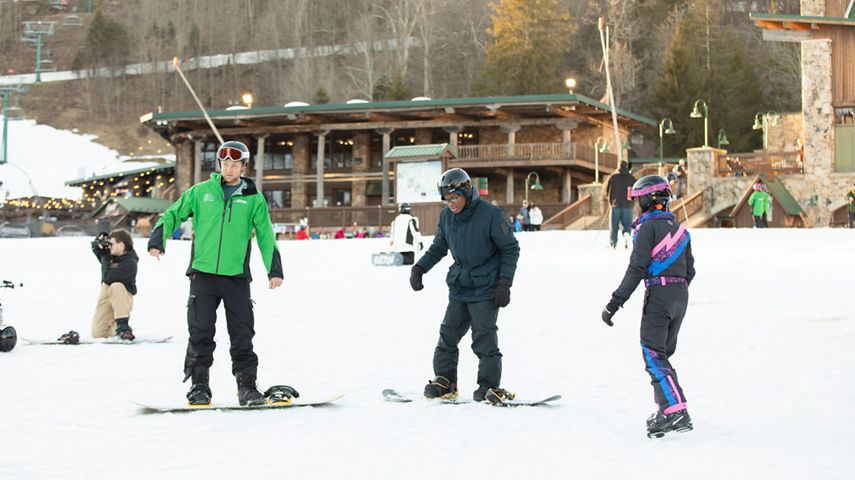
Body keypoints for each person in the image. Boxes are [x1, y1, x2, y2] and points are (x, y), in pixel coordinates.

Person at [148, 140, 284, 408]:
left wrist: (274, 269)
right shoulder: (200, 192)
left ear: (243, 166)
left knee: (242, 333)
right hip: (203, 274)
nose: (229, 168)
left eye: (235, 164)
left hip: (236, 277)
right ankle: (200, 387)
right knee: (200, 332)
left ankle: (246, 387)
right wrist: (158, 238)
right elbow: (173, 214)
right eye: (225, 163)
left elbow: (266, 235)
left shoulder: (253, 198)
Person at [409, 168, 520, 405]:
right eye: (446, 200)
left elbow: (510, 249)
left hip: (486, 286)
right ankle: (445, 381)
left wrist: (504, 283)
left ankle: (489, 386)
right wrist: (420, 268)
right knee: (448, 335)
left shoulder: (490, 214)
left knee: (484, 338)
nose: (450, 204)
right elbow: (439, 247)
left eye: (454, 198)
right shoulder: (447, 217)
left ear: (467, 192)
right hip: (460, 285)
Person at [600, 174, 695, 438]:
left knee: (653, 354)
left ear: (646, 200)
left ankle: (676, 410)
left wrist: (615, 302)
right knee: (661, 354)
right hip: (679, 296)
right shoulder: (681, 231)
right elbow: (691, 271)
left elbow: (637, 268)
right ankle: (666, 410)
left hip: (660, 294)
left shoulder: (646, 229)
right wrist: (677, 291)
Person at [90, 229, 138, 341]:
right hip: (106, 297)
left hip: (121, 298)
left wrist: (106, 257)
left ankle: (123, 327)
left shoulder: (130, 263)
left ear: (121, 245)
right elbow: (100, 255)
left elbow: (108, 277)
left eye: (111, 244)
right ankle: (117, 331)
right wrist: (98, 245)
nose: (109, 247)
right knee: (98, 333)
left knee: (116, 285)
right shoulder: (112, 256)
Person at [604, 161, 636, 249]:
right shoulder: (631, 178)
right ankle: (626, 236)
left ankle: (613, 243)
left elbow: (606, 188)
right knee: (627, 224)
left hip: (615, 204)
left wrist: (609, 199)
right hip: (628, 205)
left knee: (614, 225)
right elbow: (636, 189)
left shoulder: (613, 177)